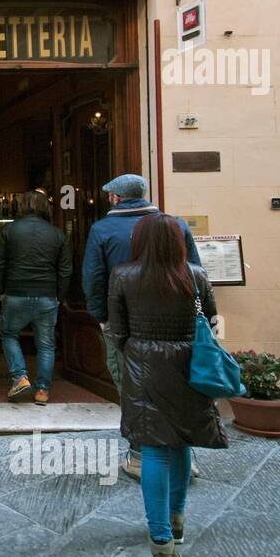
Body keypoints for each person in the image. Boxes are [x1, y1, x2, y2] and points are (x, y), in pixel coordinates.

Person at [106, 213, 228, 557]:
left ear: (139, 241)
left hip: (144, 366)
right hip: (189, 366)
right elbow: (209, 318)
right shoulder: (195, 275)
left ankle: (161, 544)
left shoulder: (123, 276)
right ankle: (176, 524)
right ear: (178, 241)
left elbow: (119, 331)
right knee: (181, 441)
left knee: (155, 447)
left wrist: (140, 352)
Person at [82, 174, 201, 479]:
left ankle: (138, 456)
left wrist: (101, 316)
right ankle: (184, 457)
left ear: (115, 198)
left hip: (126, 322)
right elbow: (196, 272)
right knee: (178, 386)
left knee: (131, 387)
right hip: (177, 324)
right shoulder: (176, 225)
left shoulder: (103, 229)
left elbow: (93, 277)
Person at [0, 190, 72, 405]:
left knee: (9, 334)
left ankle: (20, 377)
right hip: (47, 294)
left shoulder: (9, 230)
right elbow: (65, 270)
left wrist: (1, 290)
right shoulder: (57, 234)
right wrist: (59, 296)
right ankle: (42, 391)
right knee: (46, 344)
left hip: (16, 292)